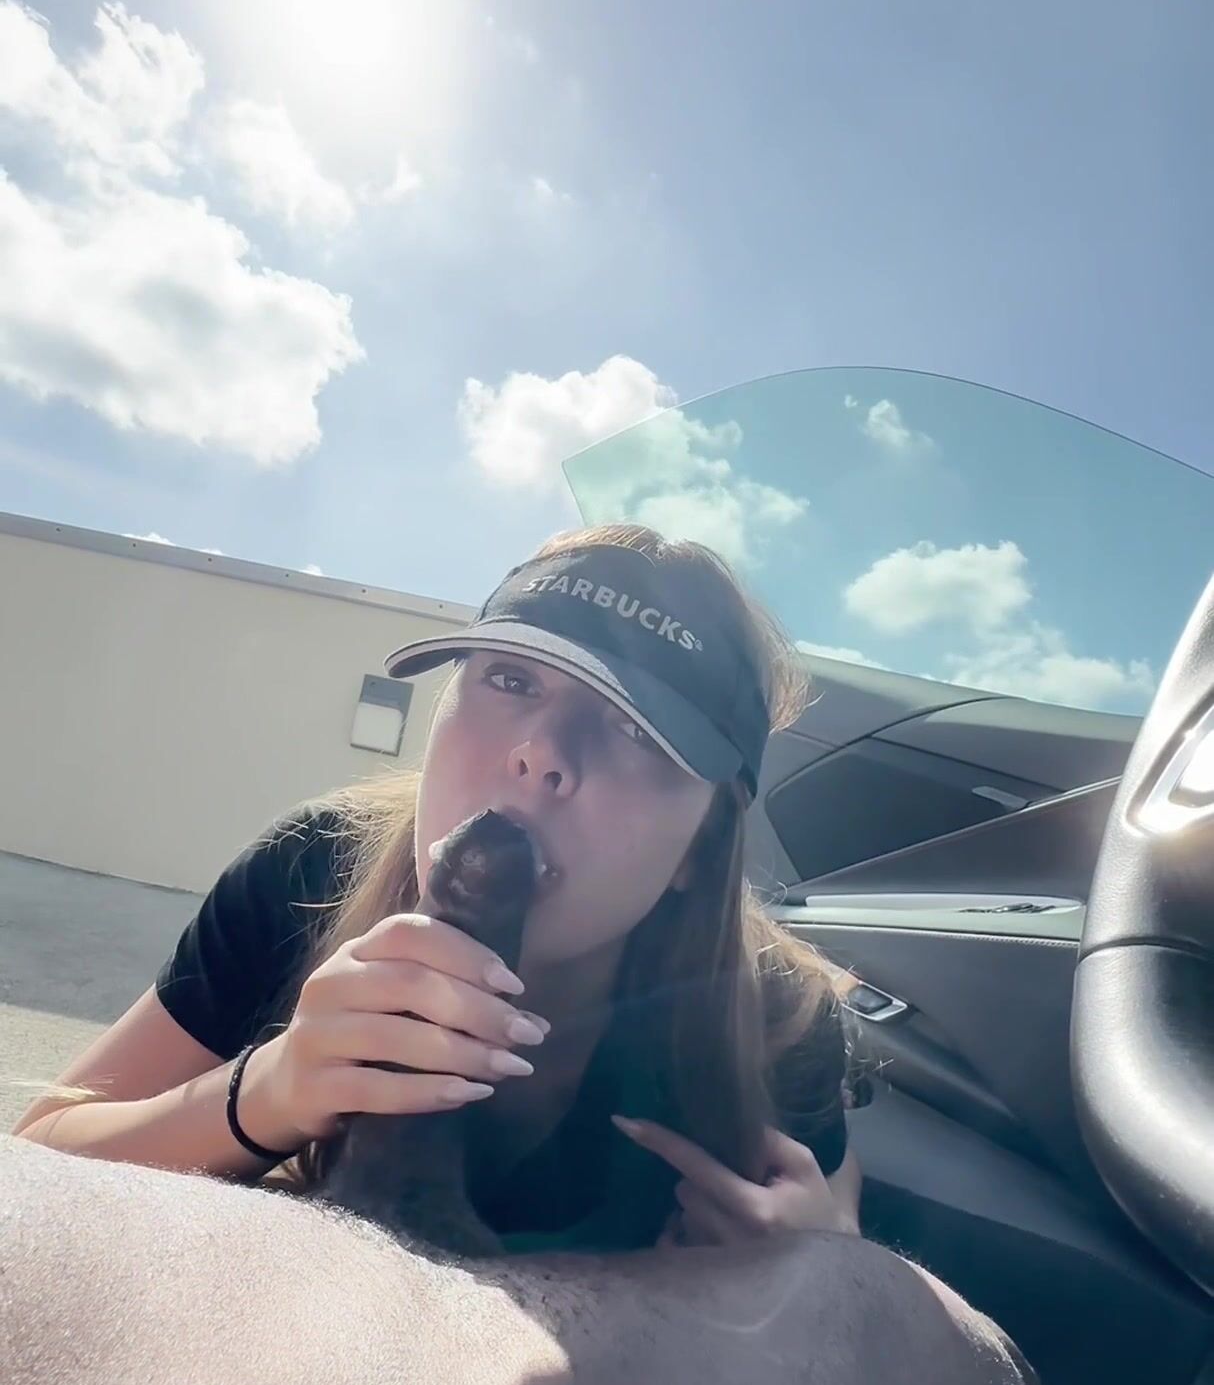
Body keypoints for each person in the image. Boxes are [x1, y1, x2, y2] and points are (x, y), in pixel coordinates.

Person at [13, 523, 864, 1252]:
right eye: (511, 680)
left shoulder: (777, 1017)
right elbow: (37, 1161)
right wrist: (271, 1091)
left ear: (702, 848)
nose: (542, 753)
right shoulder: (310, 870)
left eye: (635, 728)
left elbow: (839, 1221)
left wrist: (808, 1266)